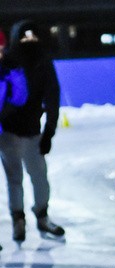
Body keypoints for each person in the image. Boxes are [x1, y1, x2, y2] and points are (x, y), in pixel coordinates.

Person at [0, 20, 64, 243]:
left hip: (32, 133)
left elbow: (53, 97)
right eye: (24, 38)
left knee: (38, 177)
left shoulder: (42, 62)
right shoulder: (6, 63)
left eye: (32, 37)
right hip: (8, 133)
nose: (29, 42)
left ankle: (41, 215)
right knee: (15, 178)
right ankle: (19, 220)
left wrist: (48, 132)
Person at [0, 39, 29, 252]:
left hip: (5, 131)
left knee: (14, 177)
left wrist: (14, 72)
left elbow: (20, 97)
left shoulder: (9, 69)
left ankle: (18, 220)